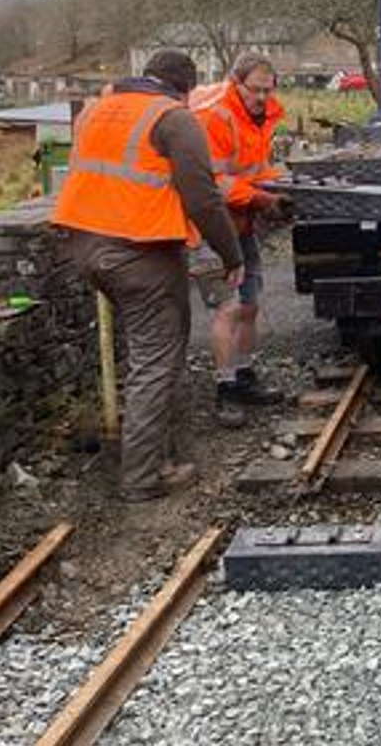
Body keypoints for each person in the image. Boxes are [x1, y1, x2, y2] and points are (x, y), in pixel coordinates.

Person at [50, 49, 243, 503]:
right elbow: (203, 199)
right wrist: (231, 254)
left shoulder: (97, 110)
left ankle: (168, 454)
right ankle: (142, 476)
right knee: (155, 359)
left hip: (84, 246)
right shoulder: (174, 118)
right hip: (140, 253)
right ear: (186, 87)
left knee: (151, 350)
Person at [190, 52, 290, 420]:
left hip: (243, 220)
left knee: (250, 304)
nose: (262, 97)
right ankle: (226, 388)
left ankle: (245, 376)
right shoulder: (214, 116)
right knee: (227, 308)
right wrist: (262, 197)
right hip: (211, 224)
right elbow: (210, 180)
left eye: (268, 89)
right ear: (237, 84)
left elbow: (256, 167)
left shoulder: (262, 116)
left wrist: (279, 187)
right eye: (255, 90)